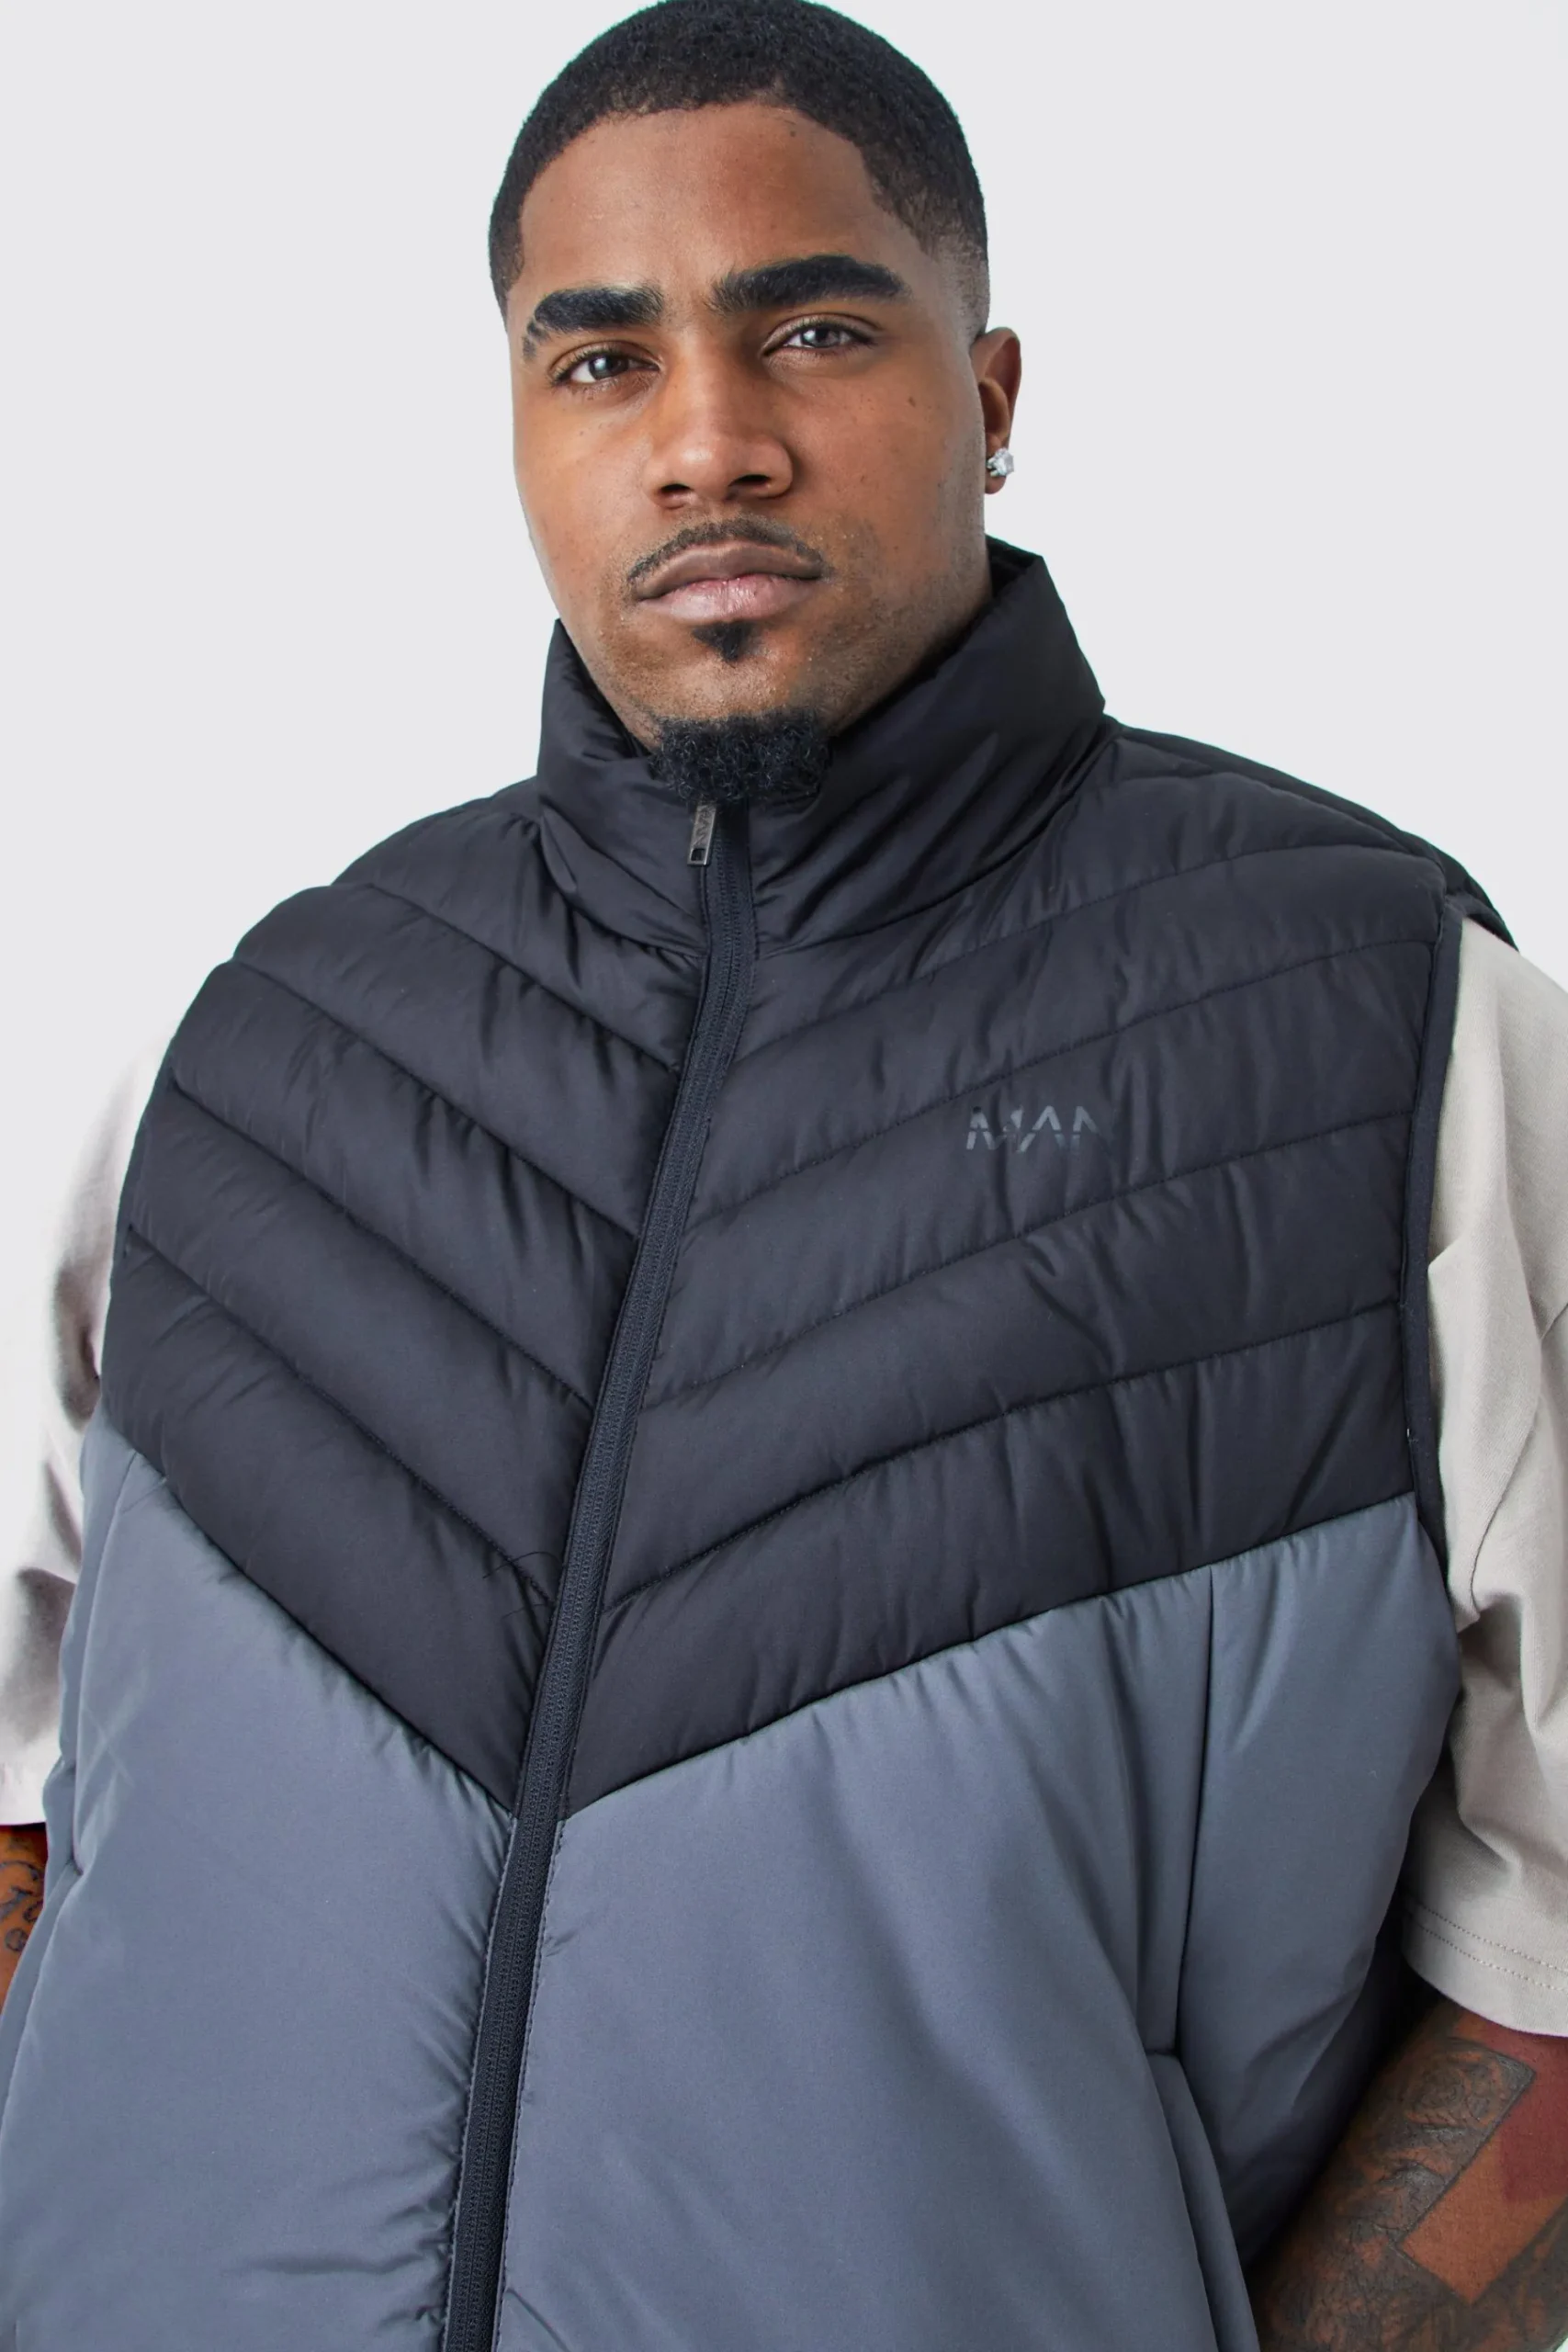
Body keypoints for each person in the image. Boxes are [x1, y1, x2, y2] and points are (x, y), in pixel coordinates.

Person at [0, 2, 1563, 2344]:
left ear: (992, 393)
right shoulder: (255, 1048)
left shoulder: (1387, 1029)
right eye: (598, 359)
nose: (707, 440)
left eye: (815, 331)